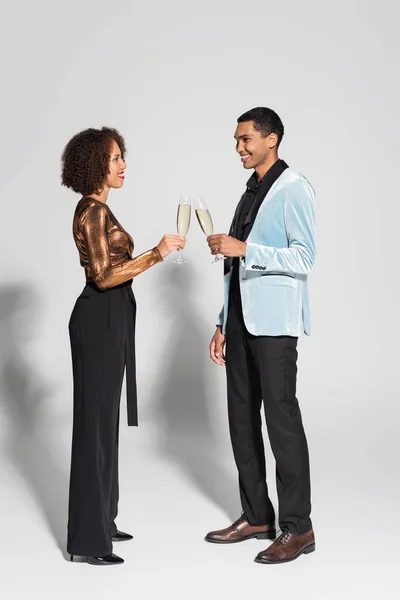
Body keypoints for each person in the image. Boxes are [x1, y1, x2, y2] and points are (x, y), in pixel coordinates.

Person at [61, 127, 185, 566]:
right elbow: (102, 276)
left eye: (122, 157)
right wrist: (156, 253)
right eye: (115, 158)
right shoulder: (91, 210)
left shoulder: (100, 209)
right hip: (98, 317)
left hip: (110, 317)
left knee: (105, 422)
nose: (123, 165)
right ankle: (88, 541)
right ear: (97, 164)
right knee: (94, 425)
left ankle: (103, 520)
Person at [205, 107, 316, 564]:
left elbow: (304, 257)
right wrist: (221, 321)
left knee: (281, 422)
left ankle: (298, 527)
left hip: (274, 324)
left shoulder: (294, 189)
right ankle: (257, 516)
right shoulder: (249, 191)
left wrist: (246, 248)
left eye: (246, 139)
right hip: (240, 321)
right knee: (241, 419)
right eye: (236, 140)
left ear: (272, 139)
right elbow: (234, 268)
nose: (239, 148)